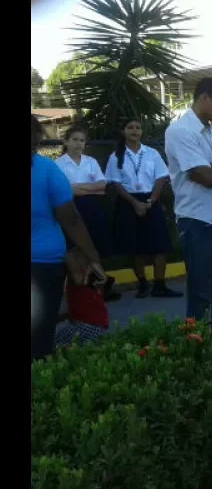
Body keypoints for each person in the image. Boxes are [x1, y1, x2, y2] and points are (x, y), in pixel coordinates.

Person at [31, 114, 104, 361]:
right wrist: (93, 257)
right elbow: (70, 218)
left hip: (44, 262)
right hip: (43, 263)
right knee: (40, 334)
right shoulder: (46, 169)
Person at [165, 77, 212, 320]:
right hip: (197, 220)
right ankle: (198, 349)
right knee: (201, 293)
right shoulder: (180, 131)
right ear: (204, 98)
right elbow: (205, 176)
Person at [106, 118, 182, 298]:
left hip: (151, 201)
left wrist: (151, 200)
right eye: (130, 127)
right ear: (123, 131)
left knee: (160, 245)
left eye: (138, 128)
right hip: (128, 202)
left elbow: (161, 177)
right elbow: (116, 184)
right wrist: (135, 203)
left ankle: (160, 286)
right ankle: (143, 284)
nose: (135, 131)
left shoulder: (152, 153)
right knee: (134, 247)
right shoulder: (116, 156)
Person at [54, 125, 120, 301]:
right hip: (70, 208)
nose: (78, 144)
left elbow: (102, 185)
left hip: (93, 207)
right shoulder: (58, 164)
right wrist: (90, 189)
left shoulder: (90, 161)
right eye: (74, 140)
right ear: (66, 142)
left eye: (82, 140)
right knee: (77, 245)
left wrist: (77, 187)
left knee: (94, 244)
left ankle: (99, 284)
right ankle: (86, 287)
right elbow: (65, 191)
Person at [55, 247, 109, 346]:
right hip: (97, 327)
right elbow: (76, 310)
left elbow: (77, 276)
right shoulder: (95, 281)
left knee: (54, 341)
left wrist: (63, 255)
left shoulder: (80, 280)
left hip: (88, 326)